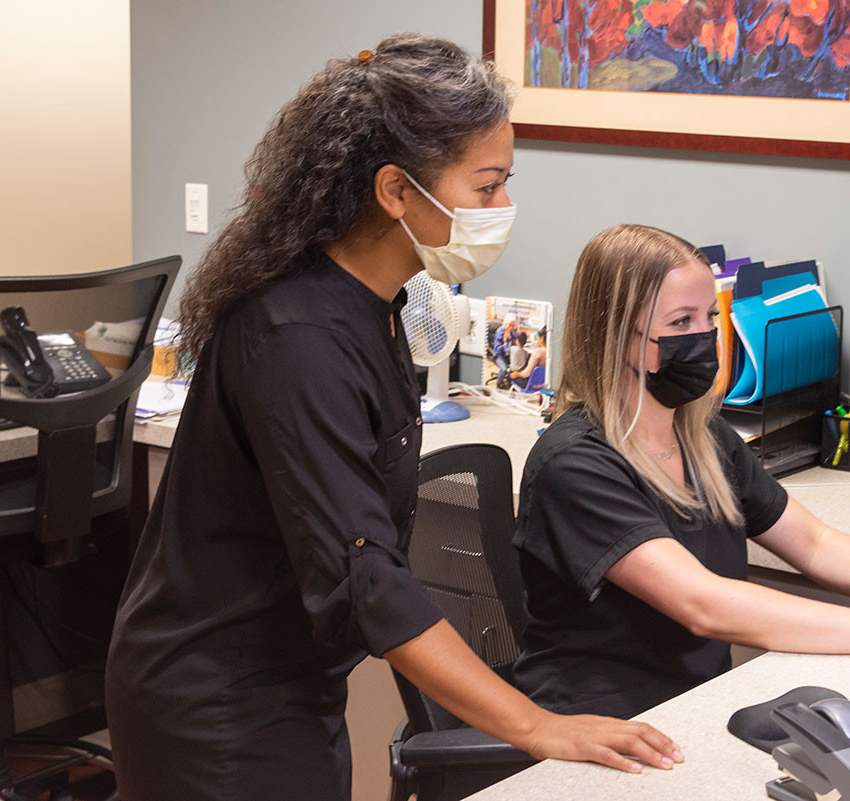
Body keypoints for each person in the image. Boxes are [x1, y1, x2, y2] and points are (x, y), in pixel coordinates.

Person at [104, 38, 680, 801]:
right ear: (396, 192)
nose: (501, 210)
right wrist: (536, 723)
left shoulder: (385, 308)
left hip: (293, 680)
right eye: (485, 187)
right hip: (215, 698)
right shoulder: (297, 337)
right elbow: (363, 574)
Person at [511, 224, 850, 719]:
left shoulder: (701, 435)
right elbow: (702, 604)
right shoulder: (575, 464)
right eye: (681, 322)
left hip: (692, 704)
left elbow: (813, 542)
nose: (706, 336)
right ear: (615, 336)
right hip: (602, 725)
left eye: (709, 316)